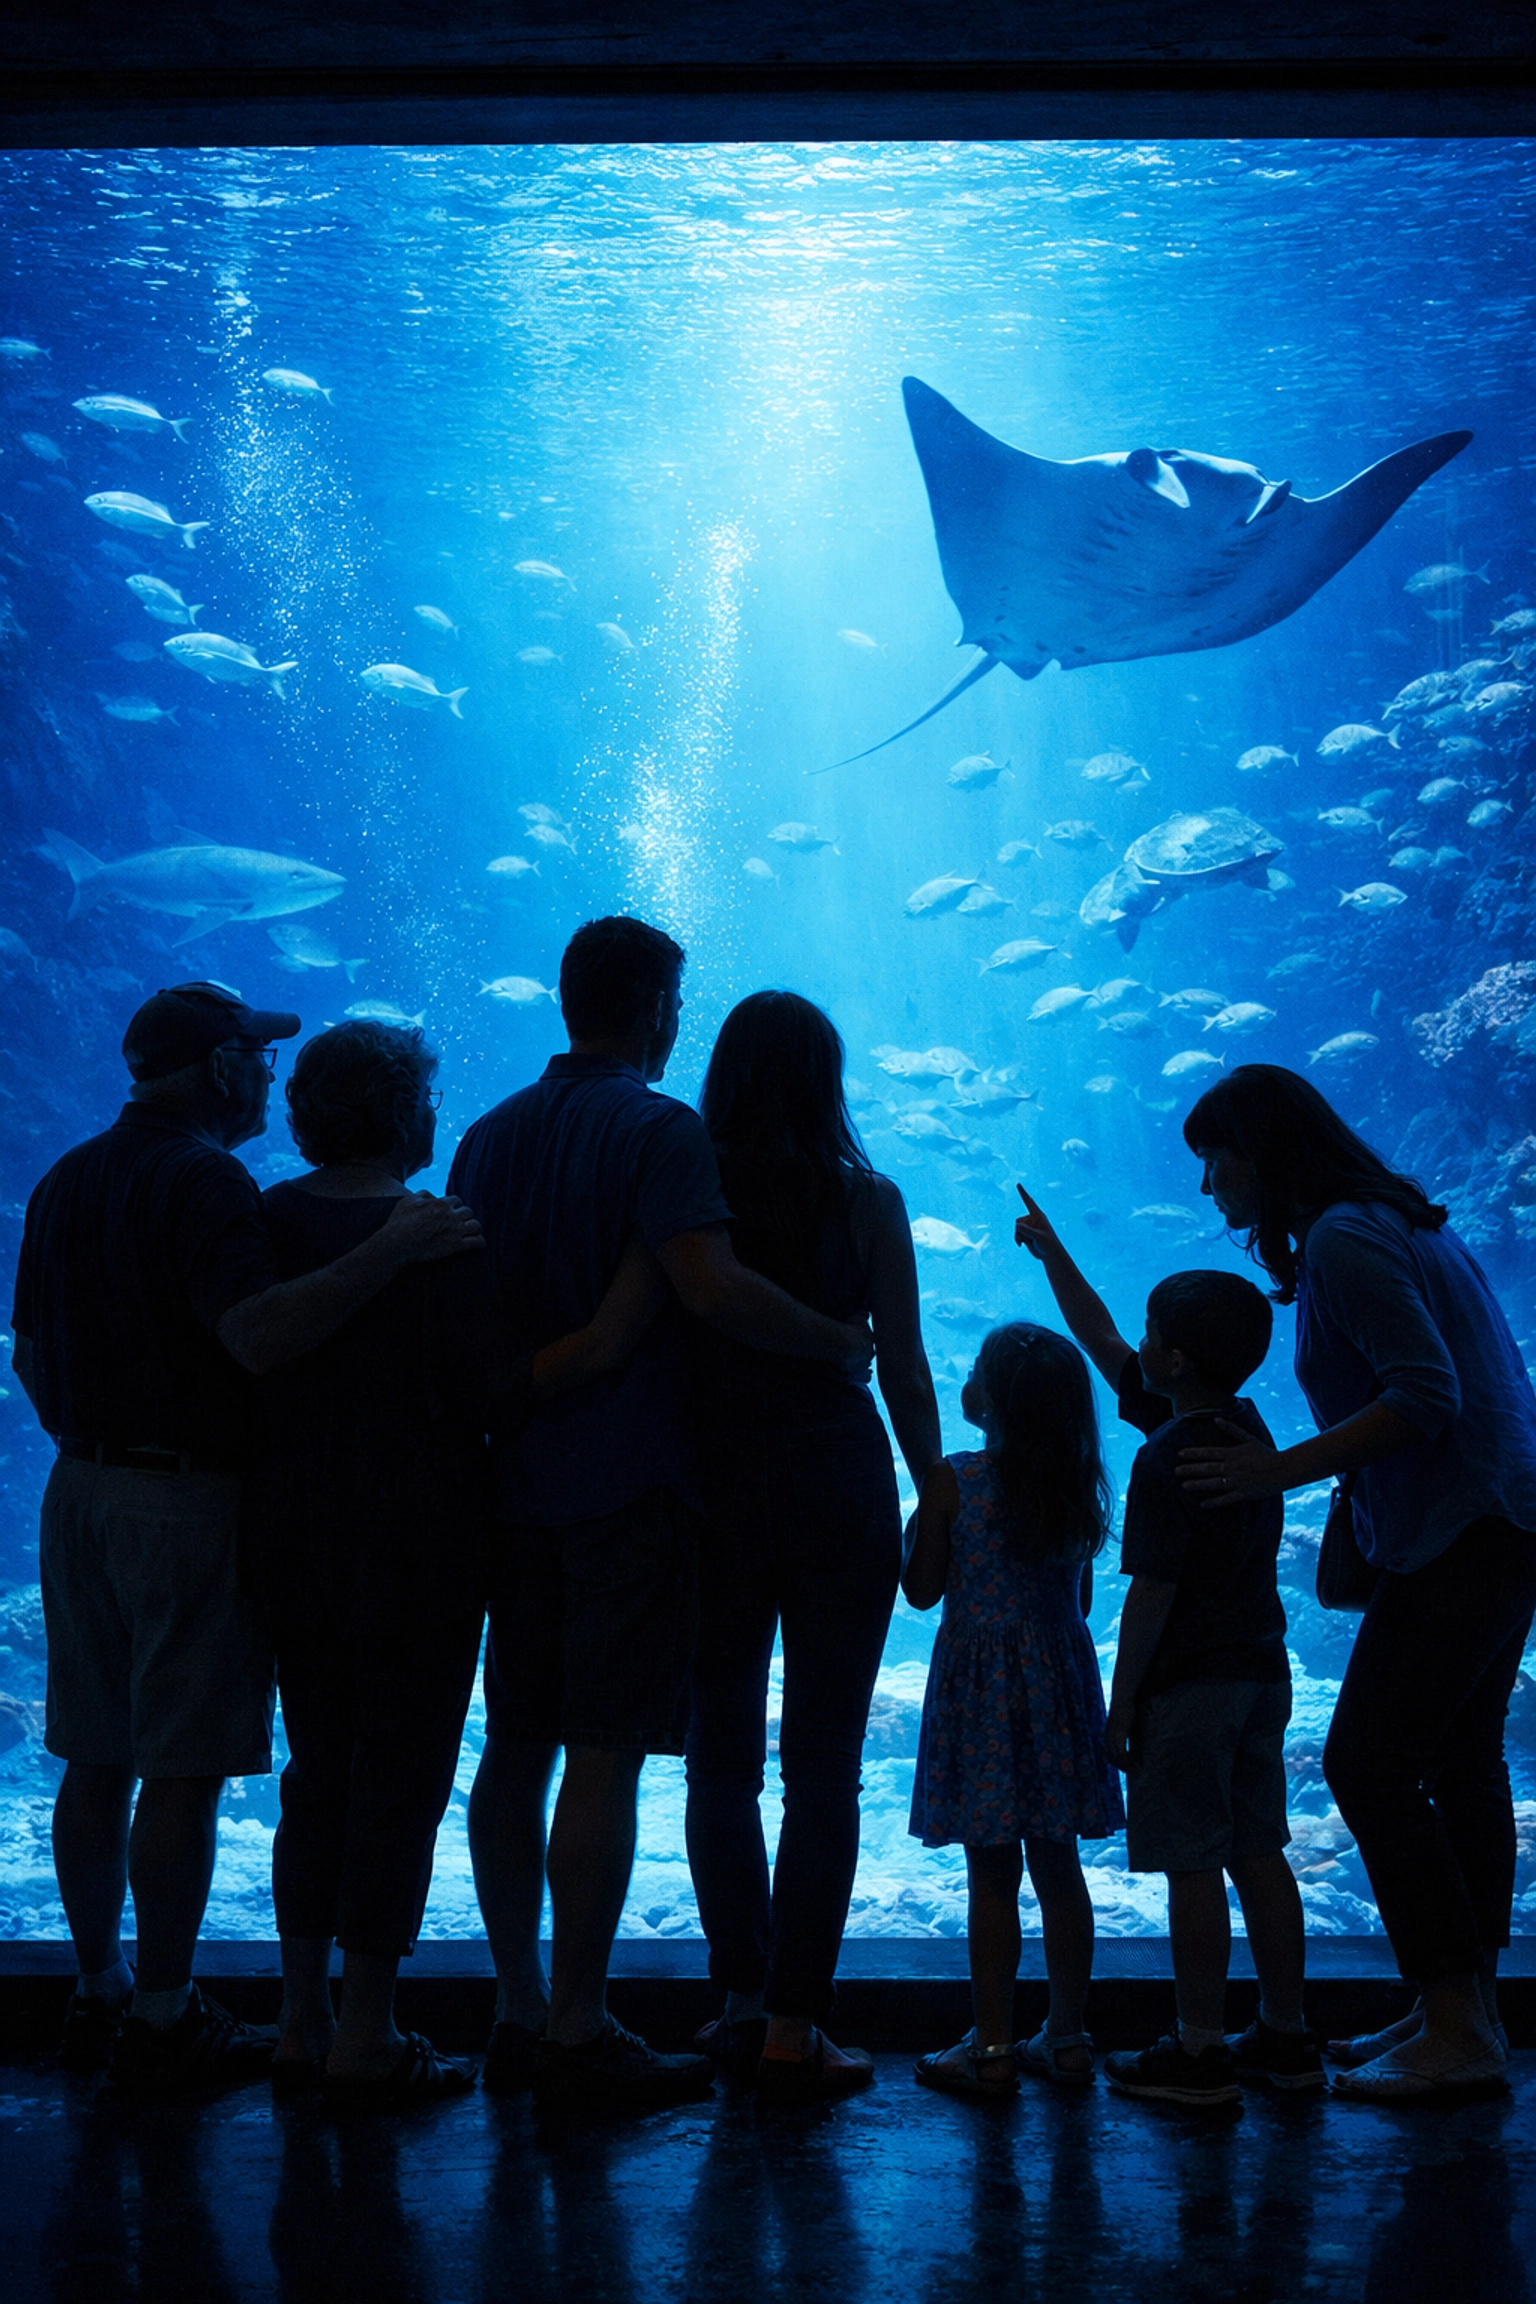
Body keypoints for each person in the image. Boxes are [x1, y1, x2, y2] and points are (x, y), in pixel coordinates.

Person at [9, 981, 481, 2096]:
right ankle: (169, 2017)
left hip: (77, 1488)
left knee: (95, 1752)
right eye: (257, 1058)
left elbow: (27, 1355)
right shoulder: (211, 1182)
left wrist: (96, 1439)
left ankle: (99, 1988)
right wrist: (396, 1244)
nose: (269, 1074)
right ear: (219, 1069)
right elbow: (260, 1336)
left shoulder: (66, 1176)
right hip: (183, 1499)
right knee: (179, 1767)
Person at [448, 919, 875, 2116]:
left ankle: (516, 2005)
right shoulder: (657, 1128)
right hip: (627, 1480)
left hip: (514, 1477)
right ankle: (583, 2027)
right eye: (674, 1000)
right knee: (602, 1749)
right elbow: (707, 1287)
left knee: (513, 1743)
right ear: (649, 1008)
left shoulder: (485, 1136)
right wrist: (838, 1340)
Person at [1173, 1064, 1536, 2100]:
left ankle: (1460, 2024)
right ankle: (1466, 2012)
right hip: (1503, 1518)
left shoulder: (1344, 1236)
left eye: (1216, 1155)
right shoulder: (1404, 1224)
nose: (1209, 1186)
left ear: (1262, 1149)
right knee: (1461, 1764)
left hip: (1466, 1527)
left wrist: (1271, 1470)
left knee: (1367, 1764)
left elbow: (1423, 1395)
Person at [683, 991, 943, 2106]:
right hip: (841, 1480)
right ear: (826, 1079)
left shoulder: (689, 1187)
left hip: (712, 1482)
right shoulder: (868, 1198)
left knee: (719, 1759)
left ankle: (739, 2002)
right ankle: (797, 2026)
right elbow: (906, 1366)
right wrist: (937, 1493)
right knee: (823, 1765)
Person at [1016, 1192, 1323, 2103]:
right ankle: (1286, 2035)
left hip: (1187, 1688)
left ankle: (1197, 2052)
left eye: (1153, 1334)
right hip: (1262, 1675)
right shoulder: (1244, 1433)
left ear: (1175, 1359)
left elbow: (1152, 1594)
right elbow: (1109, 1338)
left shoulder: (1163, 1459)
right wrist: (1053, 1252)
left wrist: (1121, 1703)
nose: (1136, 1345)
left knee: (1191, 1862)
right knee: (1259, 1853)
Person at [902, 1320, 1122, 2100]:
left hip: (981, 1697)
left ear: (988, 1402)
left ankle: (991, 2044)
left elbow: (922, 1590)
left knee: (990, 1875)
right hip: (1057, 1694)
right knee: (1060, 1870)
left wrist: (922, 1520)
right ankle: (1066, 2040)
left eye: (973, 1374)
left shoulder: (953, 1479)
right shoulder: (1074, 1486)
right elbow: (1081, 1604)